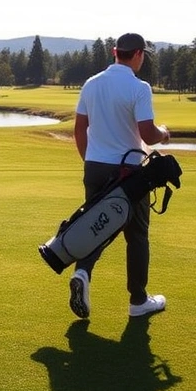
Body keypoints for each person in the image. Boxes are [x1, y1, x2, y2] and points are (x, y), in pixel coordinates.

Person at [69, 32, 171, 319]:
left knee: (95, 225)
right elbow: (147, 133)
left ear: (115, 51)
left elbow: (79, 130)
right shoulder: (139, 87)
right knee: (137, 235)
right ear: (137, 54)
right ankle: (139, 301)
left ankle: (82, 273)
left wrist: (90, 160)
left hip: (94, 167)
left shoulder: (91, 84)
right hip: (128, 171)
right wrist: (164, 134)